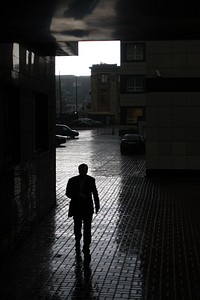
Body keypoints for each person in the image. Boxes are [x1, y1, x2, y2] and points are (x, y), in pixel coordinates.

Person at [65, 163, 100, 263]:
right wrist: (78, 195)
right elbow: (68, 193)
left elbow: (95, 193)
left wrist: (97, 206)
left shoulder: (91, 180)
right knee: (77, 226)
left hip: (87, 208)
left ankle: (86, 245)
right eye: (82, 171)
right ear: (79, 171)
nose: (83, 173)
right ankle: (78, 240)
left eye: (85, 171)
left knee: (87, 227)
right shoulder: (72, 181)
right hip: (77, 208)